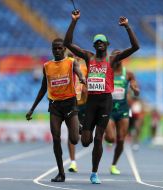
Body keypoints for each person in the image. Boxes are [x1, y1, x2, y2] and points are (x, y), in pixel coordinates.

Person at [64, 10, 139, 184]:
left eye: (102, 42)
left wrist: (127, 27)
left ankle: (94, 173)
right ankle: (83, 130)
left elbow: (135, 47)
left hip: (106, 102)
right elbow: (68, 43)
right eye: (96, 42)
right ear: (93, 45)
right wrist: (74, 21)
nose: (99, 44)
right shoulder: (88, 57)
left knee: (99, 139)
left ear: (107, 45)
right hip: (91, 102)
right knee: (85, 142)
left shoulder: (112, 60)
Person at [26, 38, 86, 182]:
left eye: (60, 48)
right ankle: (61, 173)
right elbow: (42, 89)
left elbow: (78, 71)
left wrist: (82, 78)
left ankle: (79, 127)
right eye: (55, 48)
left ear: (64, 49)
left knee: (74, 139)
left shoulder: (71, 62)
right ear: (52, 50)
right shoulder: (47, 66)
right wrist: (32, 109)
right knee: (56, 139)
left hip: (70, 104)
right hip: (55, 106)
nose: (57, 50)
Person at [104, 49, 140, 175]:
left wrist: (135, 90)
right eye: (115, 56)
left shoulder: (128, 74)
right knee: (110, 138)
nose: (117, 58)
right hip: (109, 109)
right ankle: (106, 136)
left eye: (119, 56)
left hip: (123, 110)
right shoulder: (106, 72)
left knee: (121, 139)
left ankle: (113, 165)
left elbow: (135, 85)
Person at [67, 53, 88, 173]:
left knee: (85, 137)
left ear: (79, 58)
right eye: (70, 56)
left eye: (75, 56)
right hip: (71, 105)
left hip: (84, 105)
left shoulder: (84, 69)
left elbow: (89, 84)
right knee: (72, 134)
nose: (73, 59)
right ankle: (73, 162)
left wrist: (86, 88)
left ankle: (81, 128)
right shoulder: (65, 68)